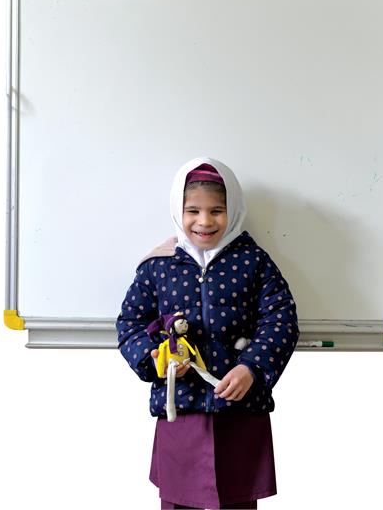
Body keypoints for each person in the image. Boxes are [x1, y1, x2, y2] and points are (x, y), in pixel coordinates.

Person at [116, 157, 300, 510]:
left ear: (234, 210)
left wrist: (251, 368)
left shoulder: (253, 261)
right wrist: (153, 359)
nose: (204, 221)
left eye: (217, 210)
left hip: (240, 408)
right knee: (179, 501)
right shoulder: (159, 265)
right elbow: (130, 323)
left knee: (238, 500)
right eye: (193, 211)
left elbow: (281, 320)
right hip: (181, 408)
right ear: (178, 210)